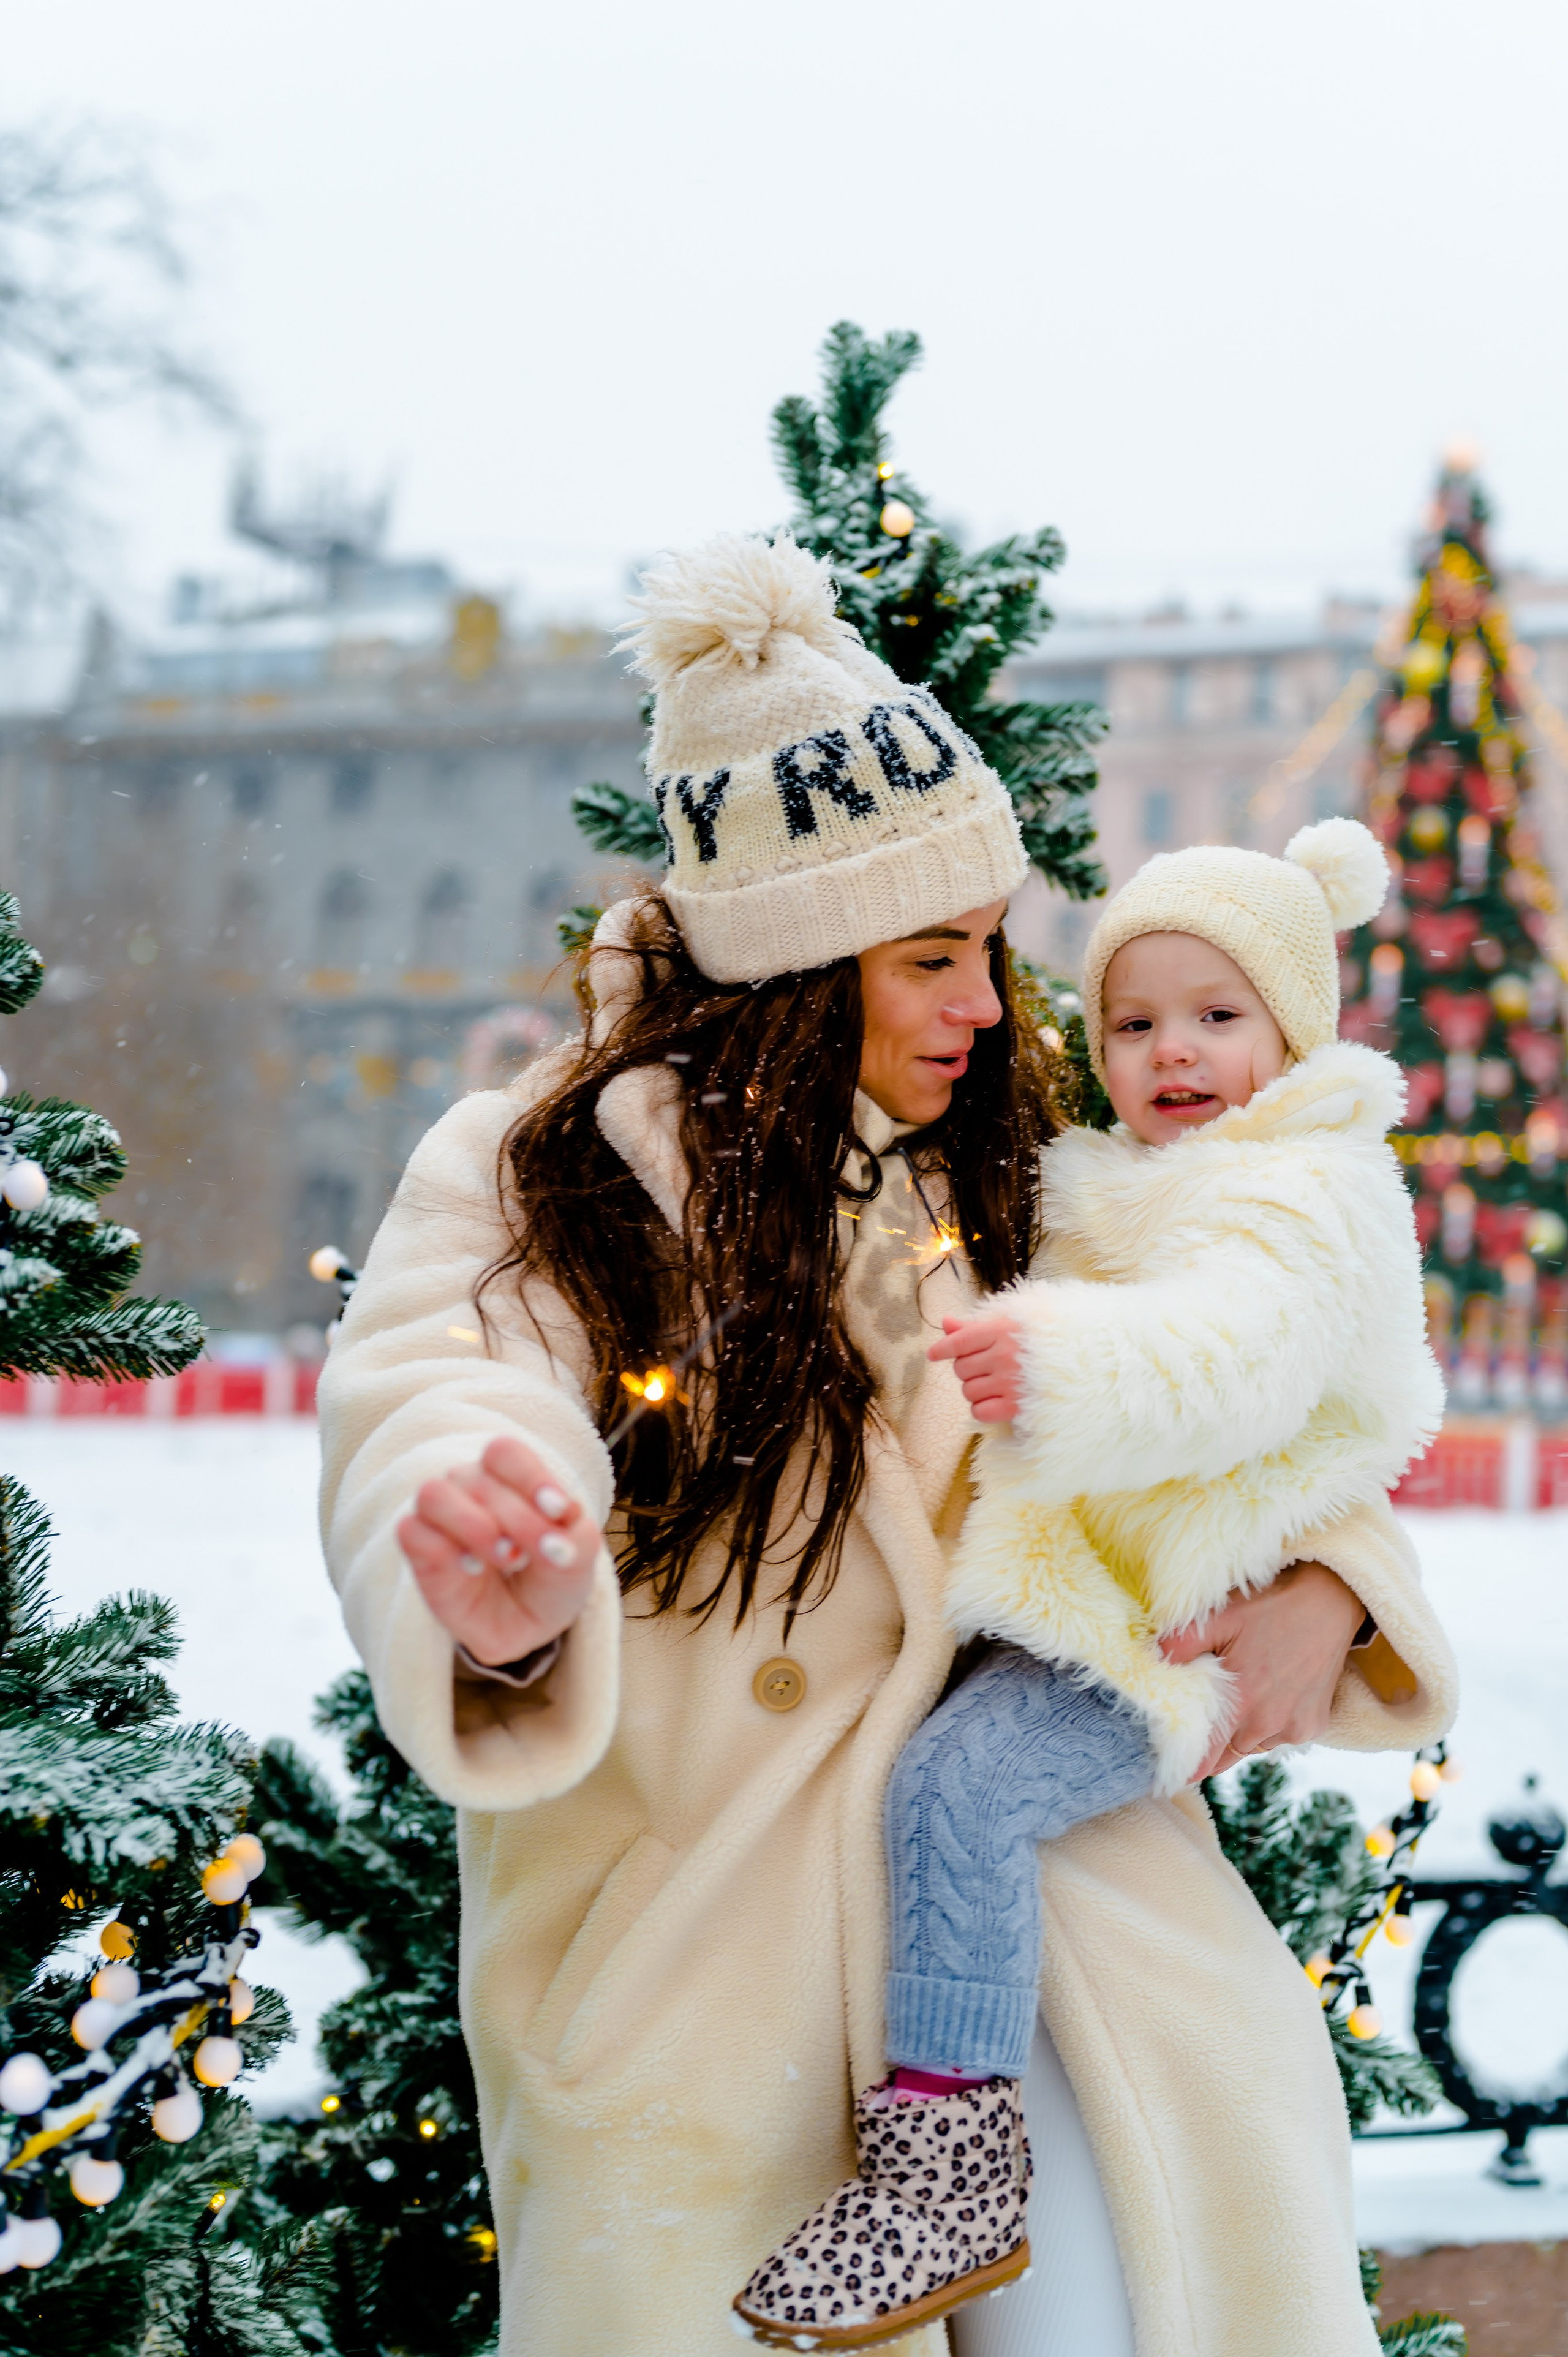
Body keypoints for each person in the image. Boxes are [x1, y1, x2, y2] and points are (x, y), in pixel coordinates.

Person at [318, 532, 1457, 2357]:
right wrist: (485, 1569)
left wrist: (1335, 1586)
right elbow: (442, 1394)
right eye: (934, 957)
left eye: (993, 948)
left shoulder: (1023, 1165)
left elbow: (1273, 1373)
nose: (993, 1007)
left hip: (1050, 1929)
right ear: (798, 966)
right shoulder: (541, 1169)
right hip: (706, 1944)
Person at [731, 819, 1452, 2348]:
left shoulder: (1296, 1188)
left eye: (1215, 1017)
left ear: (1294, 1030)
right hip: (1059, 1620)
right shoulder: (1106, 1177)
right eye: (1133, 1021)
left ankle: (945, 2166)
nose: (1170, 1054)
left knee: (960, 1792)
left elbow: (1234, 1355)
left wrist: (1051, 1360)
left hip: (1154, 1640)